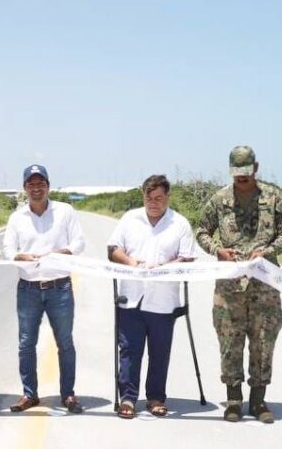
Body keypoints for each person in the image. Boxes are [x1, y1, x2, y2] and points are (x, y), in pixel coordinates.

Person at [196, 146, 282, 423]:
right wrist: (217, 250)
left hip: (264, 283)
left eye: (246, 173)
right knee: (230, 340)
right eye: (236, 173)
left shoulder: (273, 197)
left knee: (264, 341)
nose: (241, 178)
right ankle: (234, 400)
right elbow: (202, 230)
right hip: (229, 286)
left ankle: (259, 401)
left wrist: (269, 250)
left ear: (256, 167)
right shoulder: (219, 199)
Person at [107, 175, 196, 419]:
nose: (153, 202)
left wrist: (164, 266)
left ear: (168, 196)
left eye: (158, 198)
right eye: (148, 197)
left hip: (164, 301)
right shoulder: (129, 219)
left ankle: (156, 397)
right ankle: (127, 398)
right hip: (131, 297)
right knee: (129, 350)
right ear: (142, 196)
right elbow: (113, 249)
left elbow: (188, 258)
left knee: (159, 352)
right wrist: (131, 262)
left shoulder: (180, 223)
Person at [2, 164, 86, 414]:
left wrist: (66, 251)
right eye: (31, 184)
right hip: (28, 288)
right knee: (26, 344)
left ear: (48, 186)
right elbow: (7, 248)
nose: (36, 188)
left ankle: (68, 394)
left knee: (65, 342)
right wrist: (20, 256)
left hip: (59, 287)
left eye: (41, 184)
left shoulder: (65, 211)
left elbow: (79, 241)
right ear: (25, 188)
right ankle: (30, 394)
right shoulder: (17, 217)